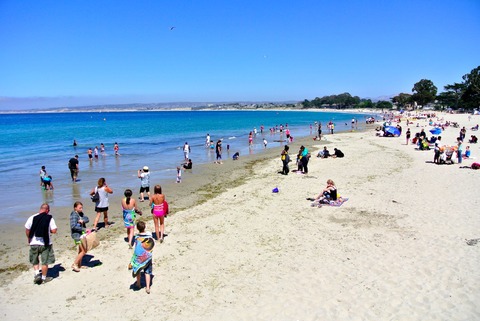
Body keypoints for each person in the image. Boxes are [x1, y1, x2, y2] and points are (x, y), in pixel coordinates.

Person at [25, 203, 57, 284]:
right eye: (48, 210)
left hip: (33, 243)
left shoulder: (32, 217)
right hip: (45, 243)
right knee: (44, 261)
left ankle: (37, 274)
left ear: (40, 209)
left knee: (35, 259)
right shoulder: (50, 218)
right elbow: (54, 230)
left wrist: (29, 238)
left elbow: (27, 229)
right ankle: (43, 278)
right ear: (47, 210)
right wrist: (48, 230)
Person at [130, 221, 155, 294]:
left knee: (138, 270)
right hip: (147, 257)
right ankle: (147, 287)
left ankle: (138, 283)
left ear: (137, 228)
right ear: (145, 227)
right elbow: (151, 245)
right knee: (147, 272)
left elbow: (136, 247)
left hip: (140, 257)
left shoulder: (137, 237)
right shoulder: (149, 236)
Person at [69, 201, 89, 272]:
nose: (81, 209)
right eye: (80, 208)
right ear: (75, 208)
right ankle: (75, 264)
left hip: (81, 234)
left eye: (82, 208)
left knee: (81, 250)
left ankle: (79, 265)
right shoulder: (74, 215)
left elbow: (87, 219)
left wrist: (82, 221)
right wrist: (84, 229)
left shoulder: (80, 214)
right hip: (76, 235)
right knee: (84, 251)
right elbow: (73, 226)